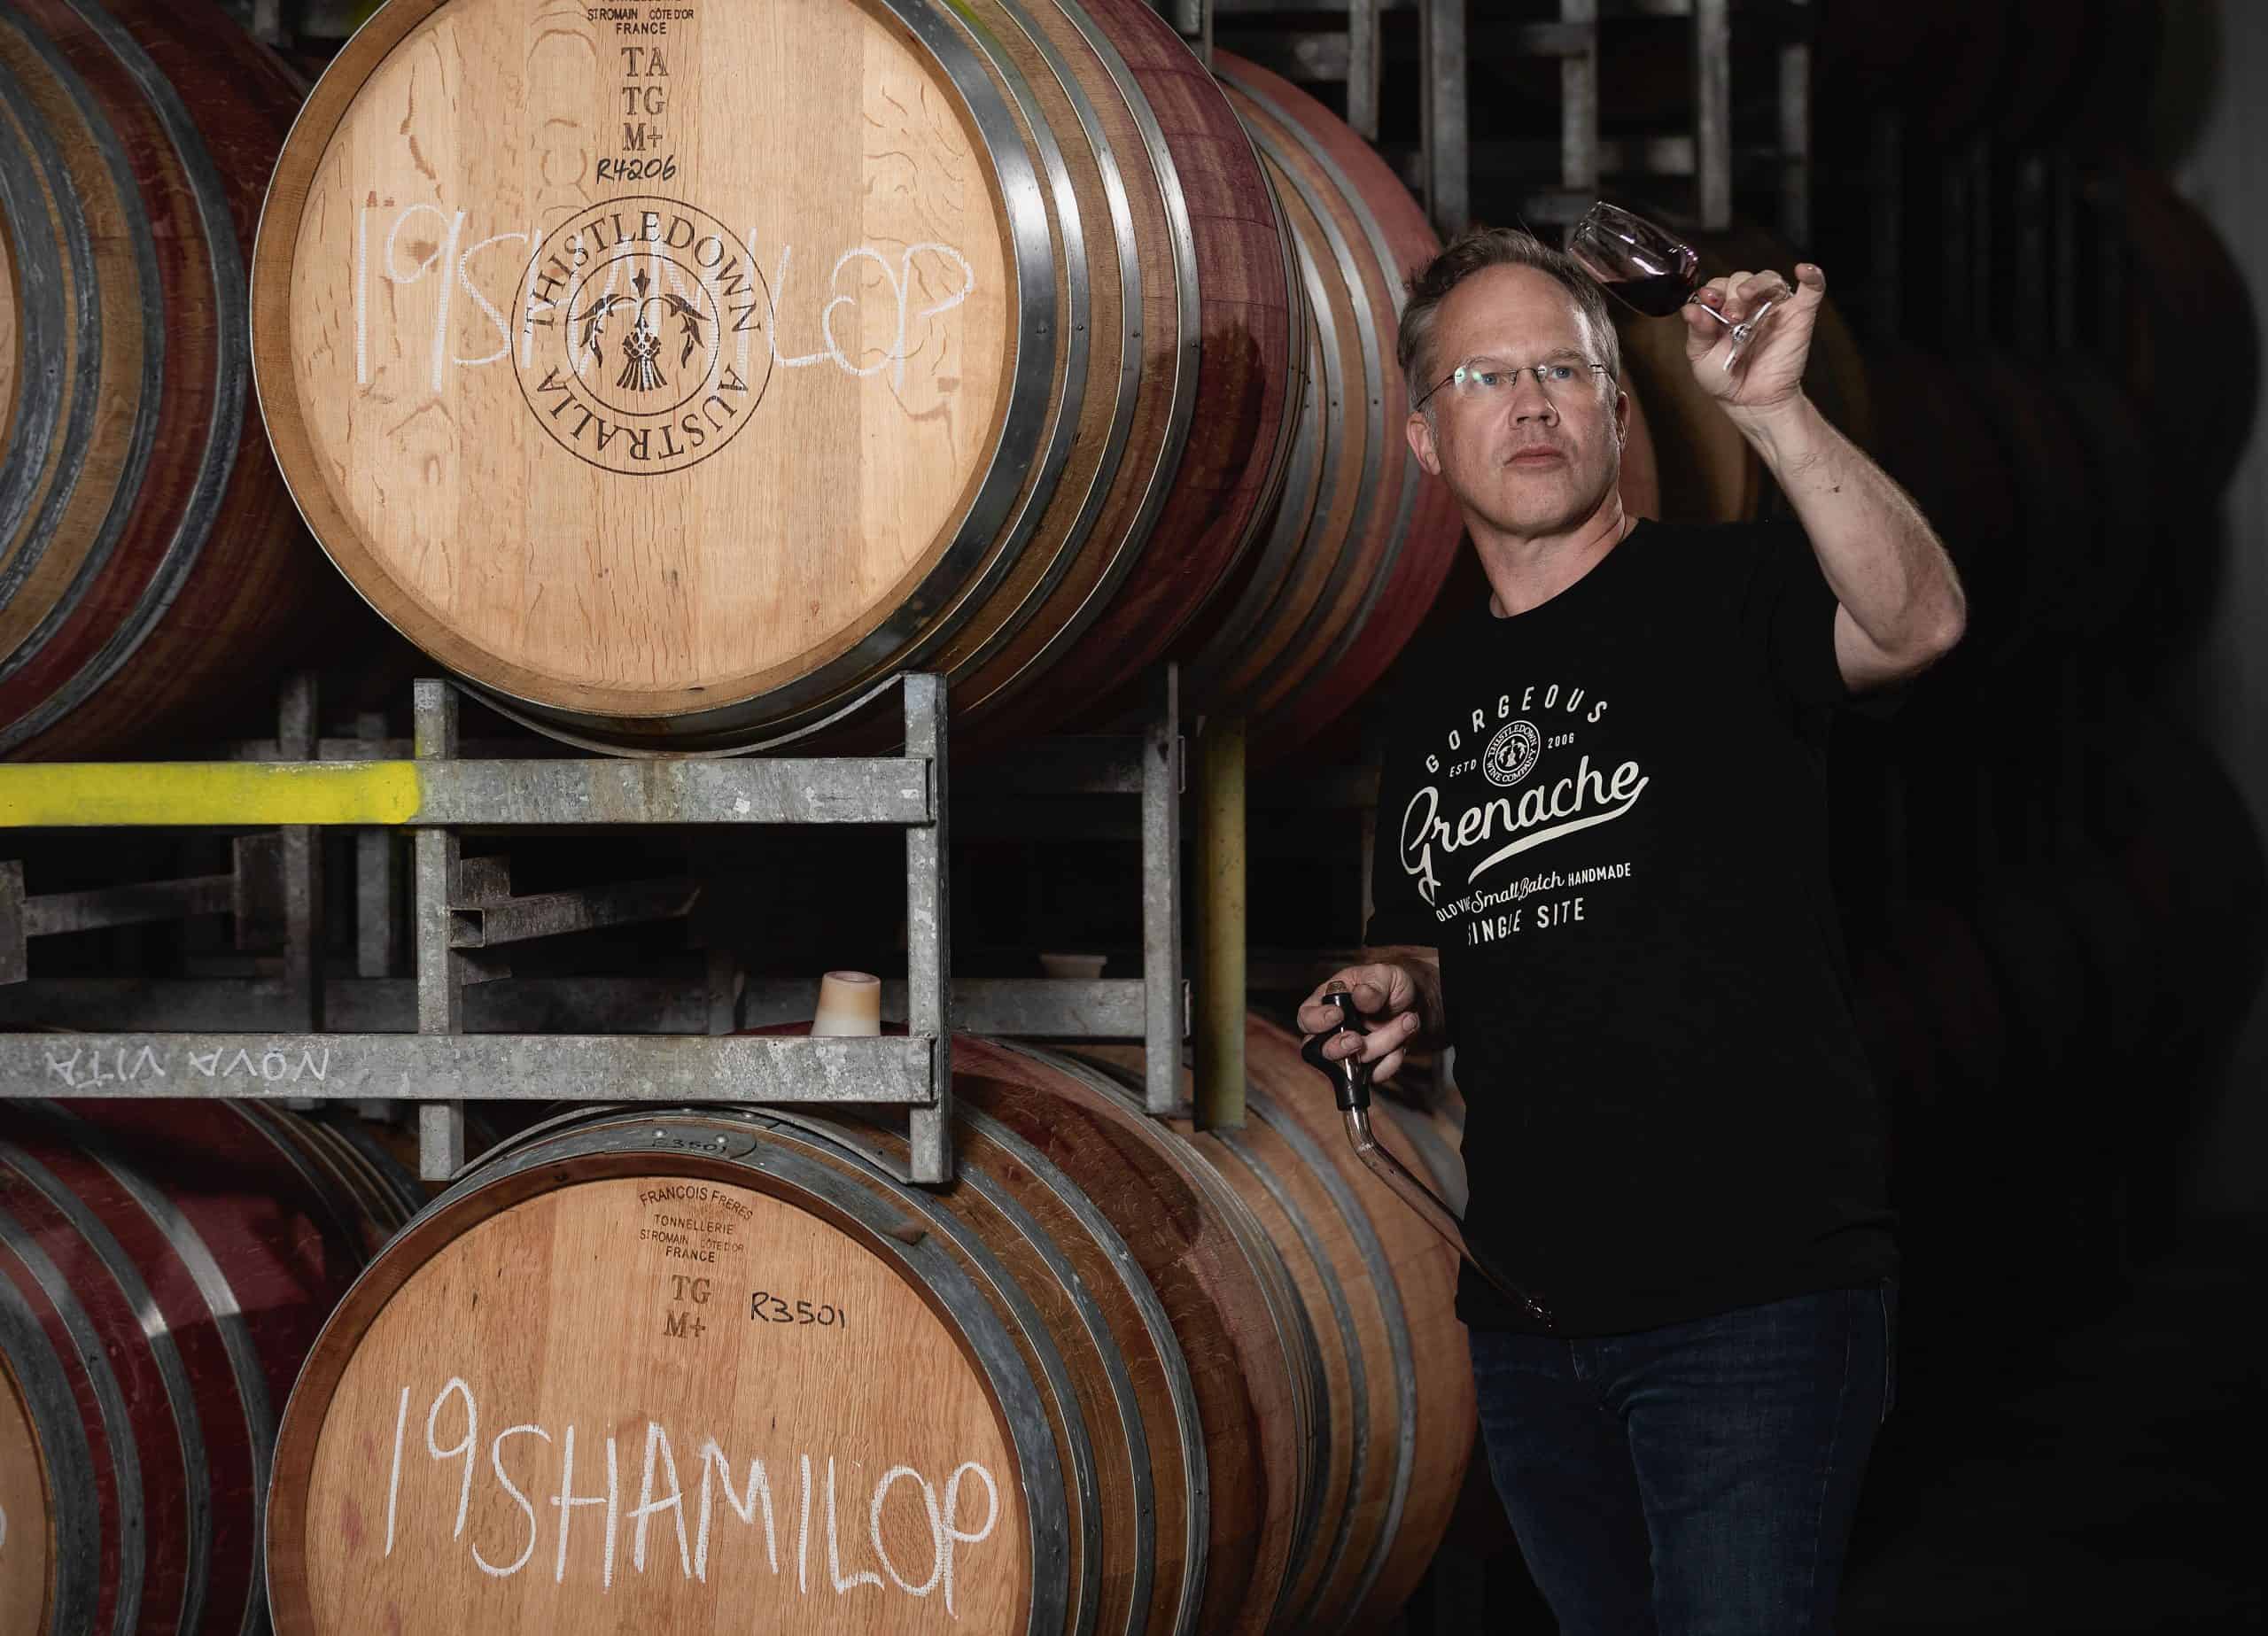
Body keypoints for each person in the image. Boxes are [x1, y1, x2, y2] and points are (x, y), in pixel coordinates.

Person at [1296, 227, 1965, 1634]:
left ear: (1616, 408)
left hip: (1755, 1303)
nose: (1532, 402)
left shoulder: (1726, 596)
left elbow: (1917, 625)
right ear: (1425, 438)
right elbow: (1432, 937)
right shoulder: (1430, 687)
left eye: (1566, 368)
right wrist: (1389, 983)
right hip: (1532, 1315)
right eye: (1486, 376)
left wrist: (1773, 408)